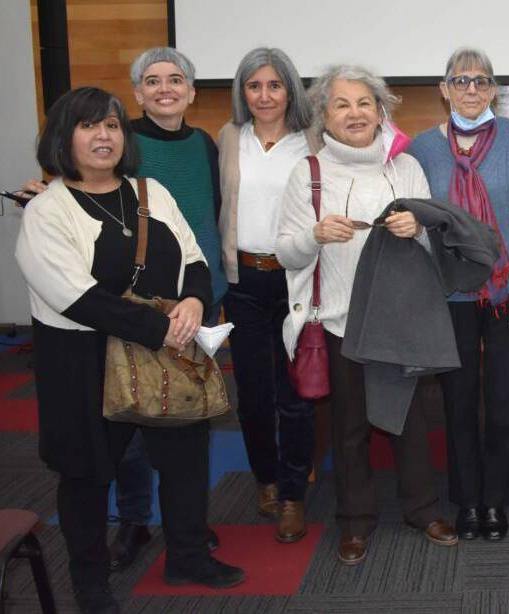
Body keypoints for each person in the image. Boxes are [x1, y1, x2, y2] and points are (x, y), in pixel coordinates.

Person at [15, 87, 244, 614]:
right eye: (89, 126)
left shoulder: (150, 192)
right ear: (62, 137)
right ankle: (90, 582)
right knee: (87, 474)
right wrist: (162, 327)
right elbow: (77, 298)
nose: (104, 136)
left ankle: (188, 556)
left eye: (113, 126)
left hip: (167, 352)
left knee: (186, 458)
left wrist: (193, 300)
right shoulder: (47, 212)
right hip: (83, 362)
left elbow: (195, 258)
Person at [276, 64, 458, 566]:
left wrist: (415, 229)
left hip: (399, 320)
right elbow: (285, 252)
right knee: (350, 426)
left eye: (364, 103)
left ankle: (423, 510)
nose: (355, 113)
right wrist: (314, 236)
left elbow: (434, 240)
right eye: (341, 104)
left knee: (410, 421)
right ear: (324, 116)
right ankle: (355, 522)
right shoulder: (307, 173)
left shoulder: (407, 168)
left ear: (381, 111)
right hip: (340, 322)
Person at [408, 48, 509, 541]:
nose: (470, 90)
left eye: (480, 81)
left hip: (507, 292)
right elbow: (418, 221)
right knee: (458, 403)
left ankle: (496, 499)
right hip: (450, 294)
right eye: (459, 81)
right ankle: (466, 499)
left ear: (494, 90)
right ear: (444, 90)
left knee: (506, 402)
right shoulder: (423, 147)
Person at [218, 47, 320, 543]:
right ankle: (266, 480)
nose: (264, 95)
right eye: (253, 86)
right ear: (242, 92)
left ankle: (294, 495)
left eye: (274, 85)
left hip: (297, 281)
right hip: (244, 284)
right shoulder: (228, 138)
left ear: (290, 90)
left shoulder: (314, 138)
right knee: (254, 398)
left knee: (296, 396)